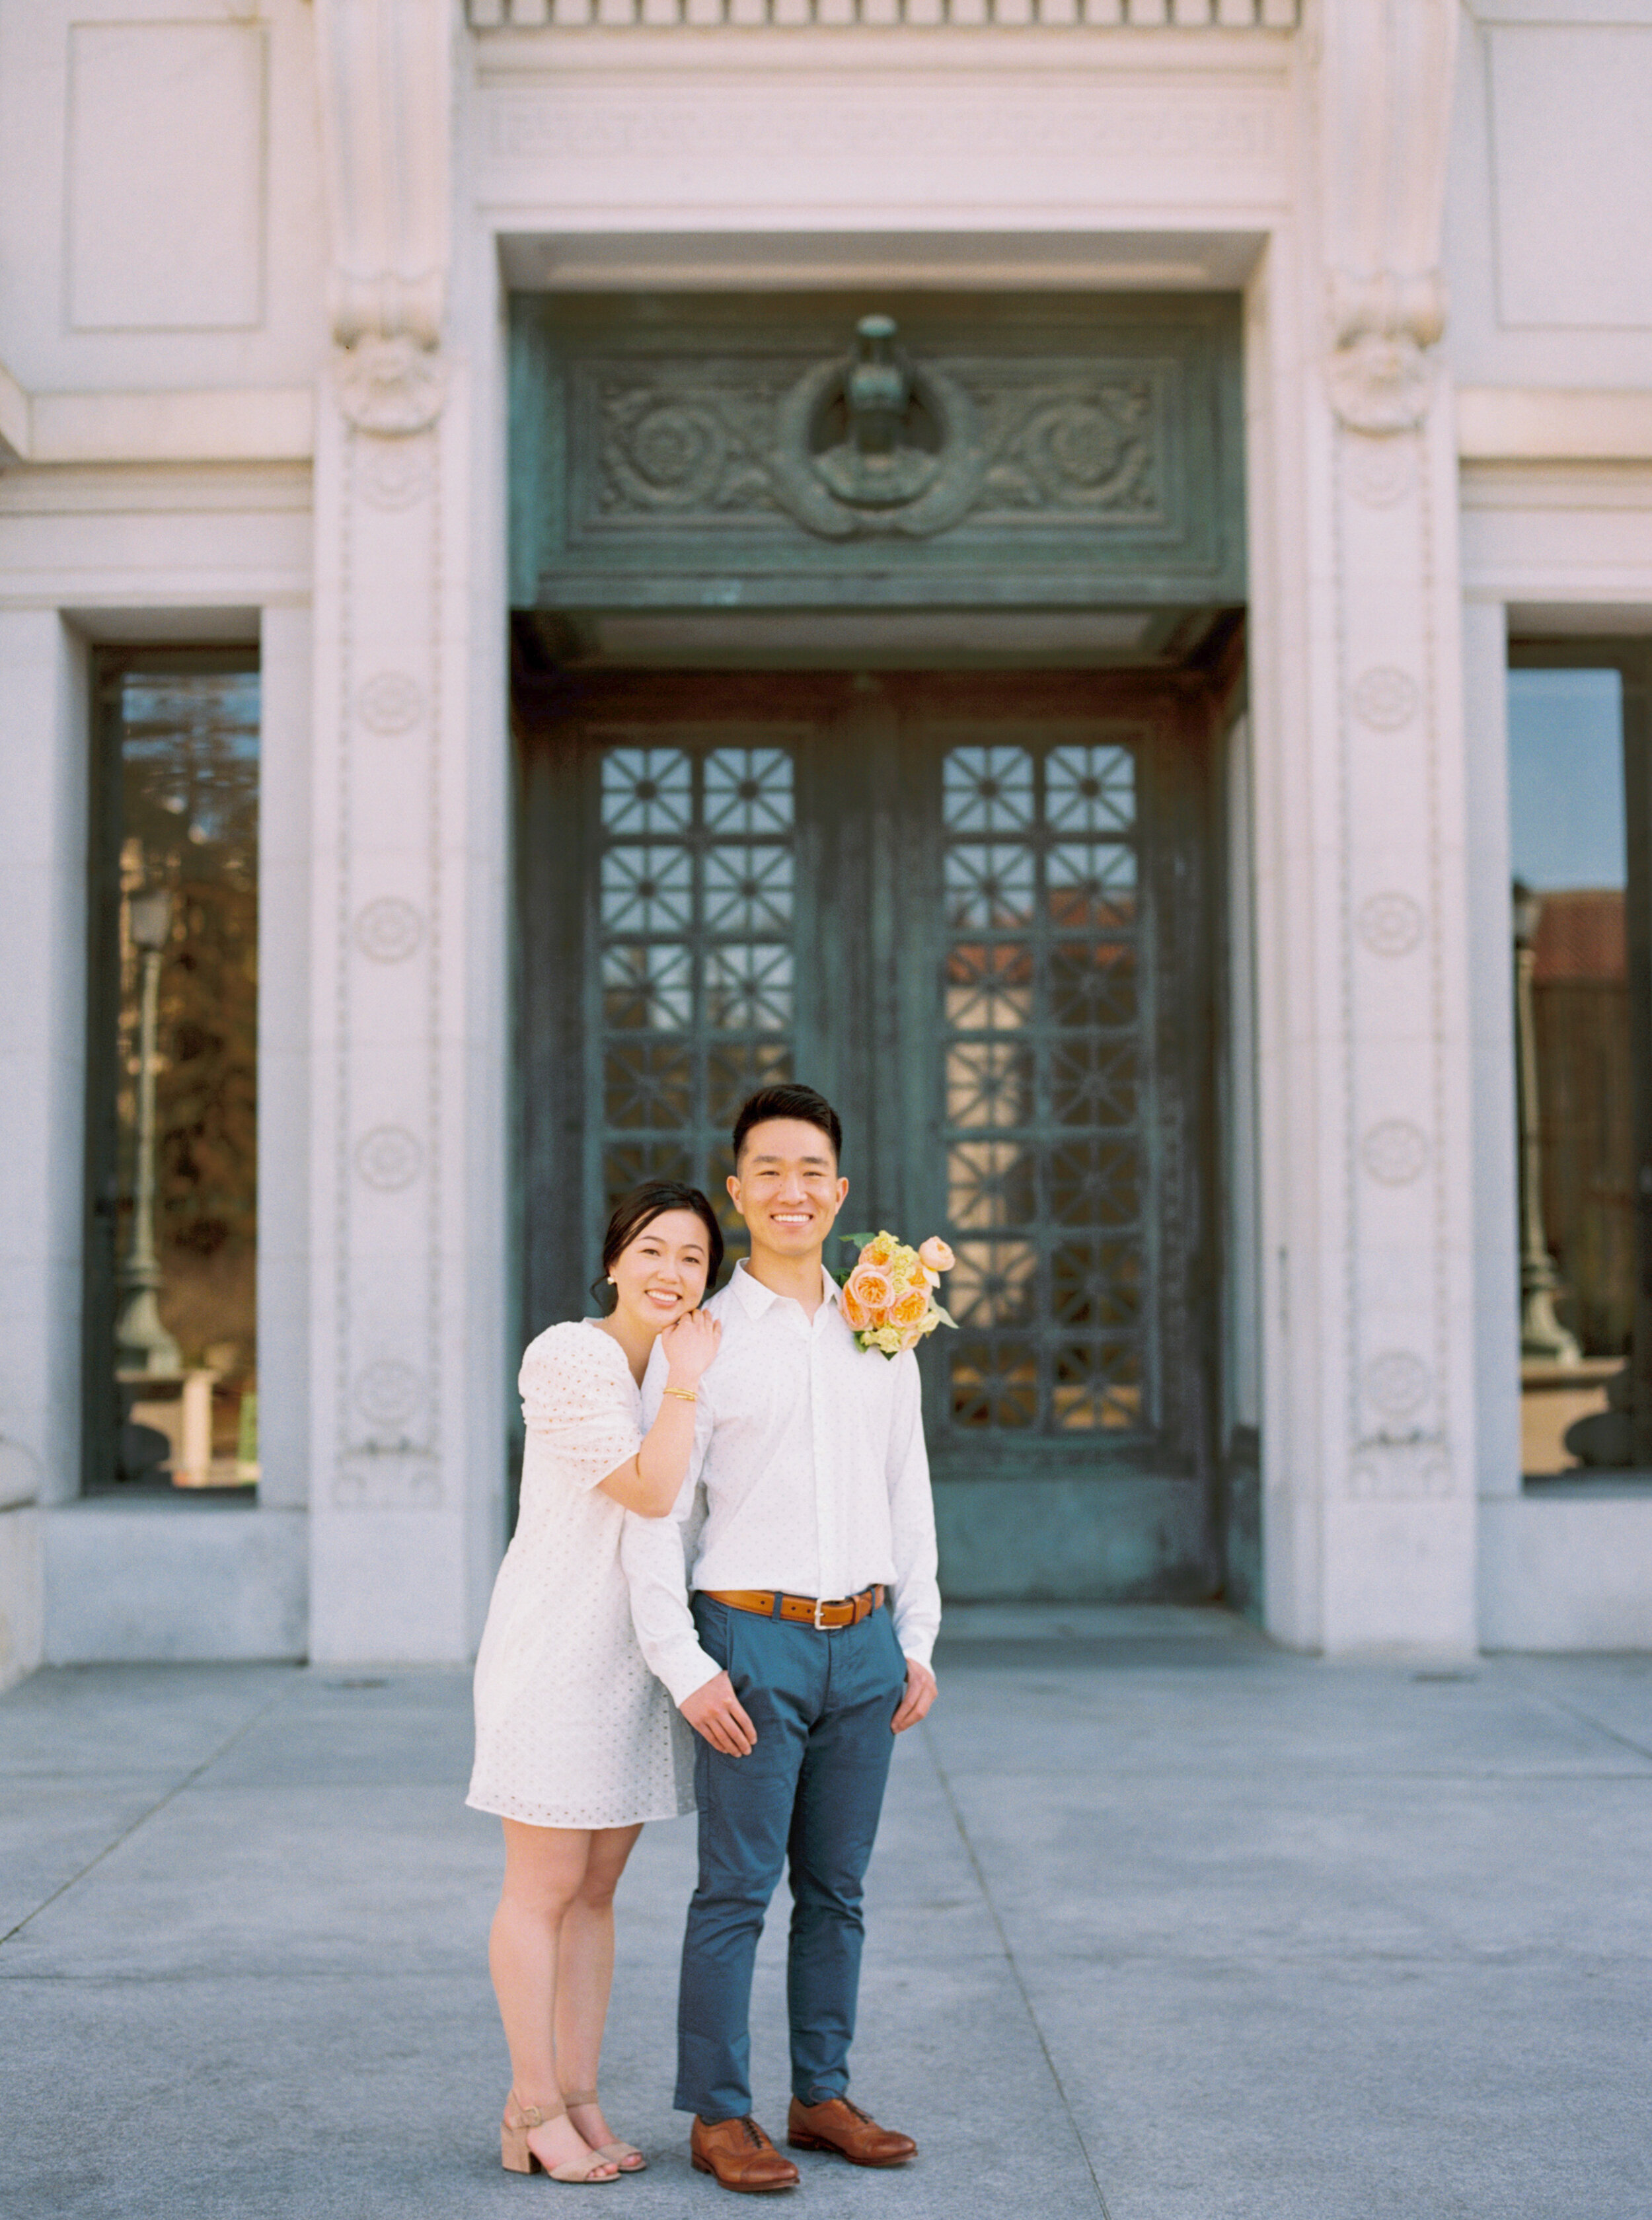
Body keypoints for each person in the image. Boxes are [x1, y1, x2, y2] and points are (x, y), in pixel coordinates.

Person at [623, 1084, 941, 2194]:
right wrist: (687, 1662)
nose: (791, 1190)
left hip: (863, 1645)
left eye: (811, 1171)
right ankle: (719, 2116)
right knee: (736, 1891)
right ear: (738, 1191)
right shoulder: (697, 1340)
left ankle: (820, 2096)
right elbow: (656, 1514)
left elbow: (910, 1490)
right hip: (747, 1643)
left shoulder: (882, 1324)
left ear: (839, 1192)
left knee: (839, 1889)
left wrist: (919, 1636)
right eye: (768, 1171)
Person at [468, 1181, 724, 2184]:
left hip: (634, 1661)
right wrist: (690, 1381)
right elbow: (651, 1491)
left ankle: (575, 2094)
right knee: (541, 1887)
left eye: (694, 1258)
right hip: (553, 1653)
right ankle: (529, 2105)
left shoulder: (673, 1364)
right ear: (615, 1259)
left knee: (598, 1890)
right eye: (654, 1251)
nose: (673, 1273)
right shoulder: (568, 1355)